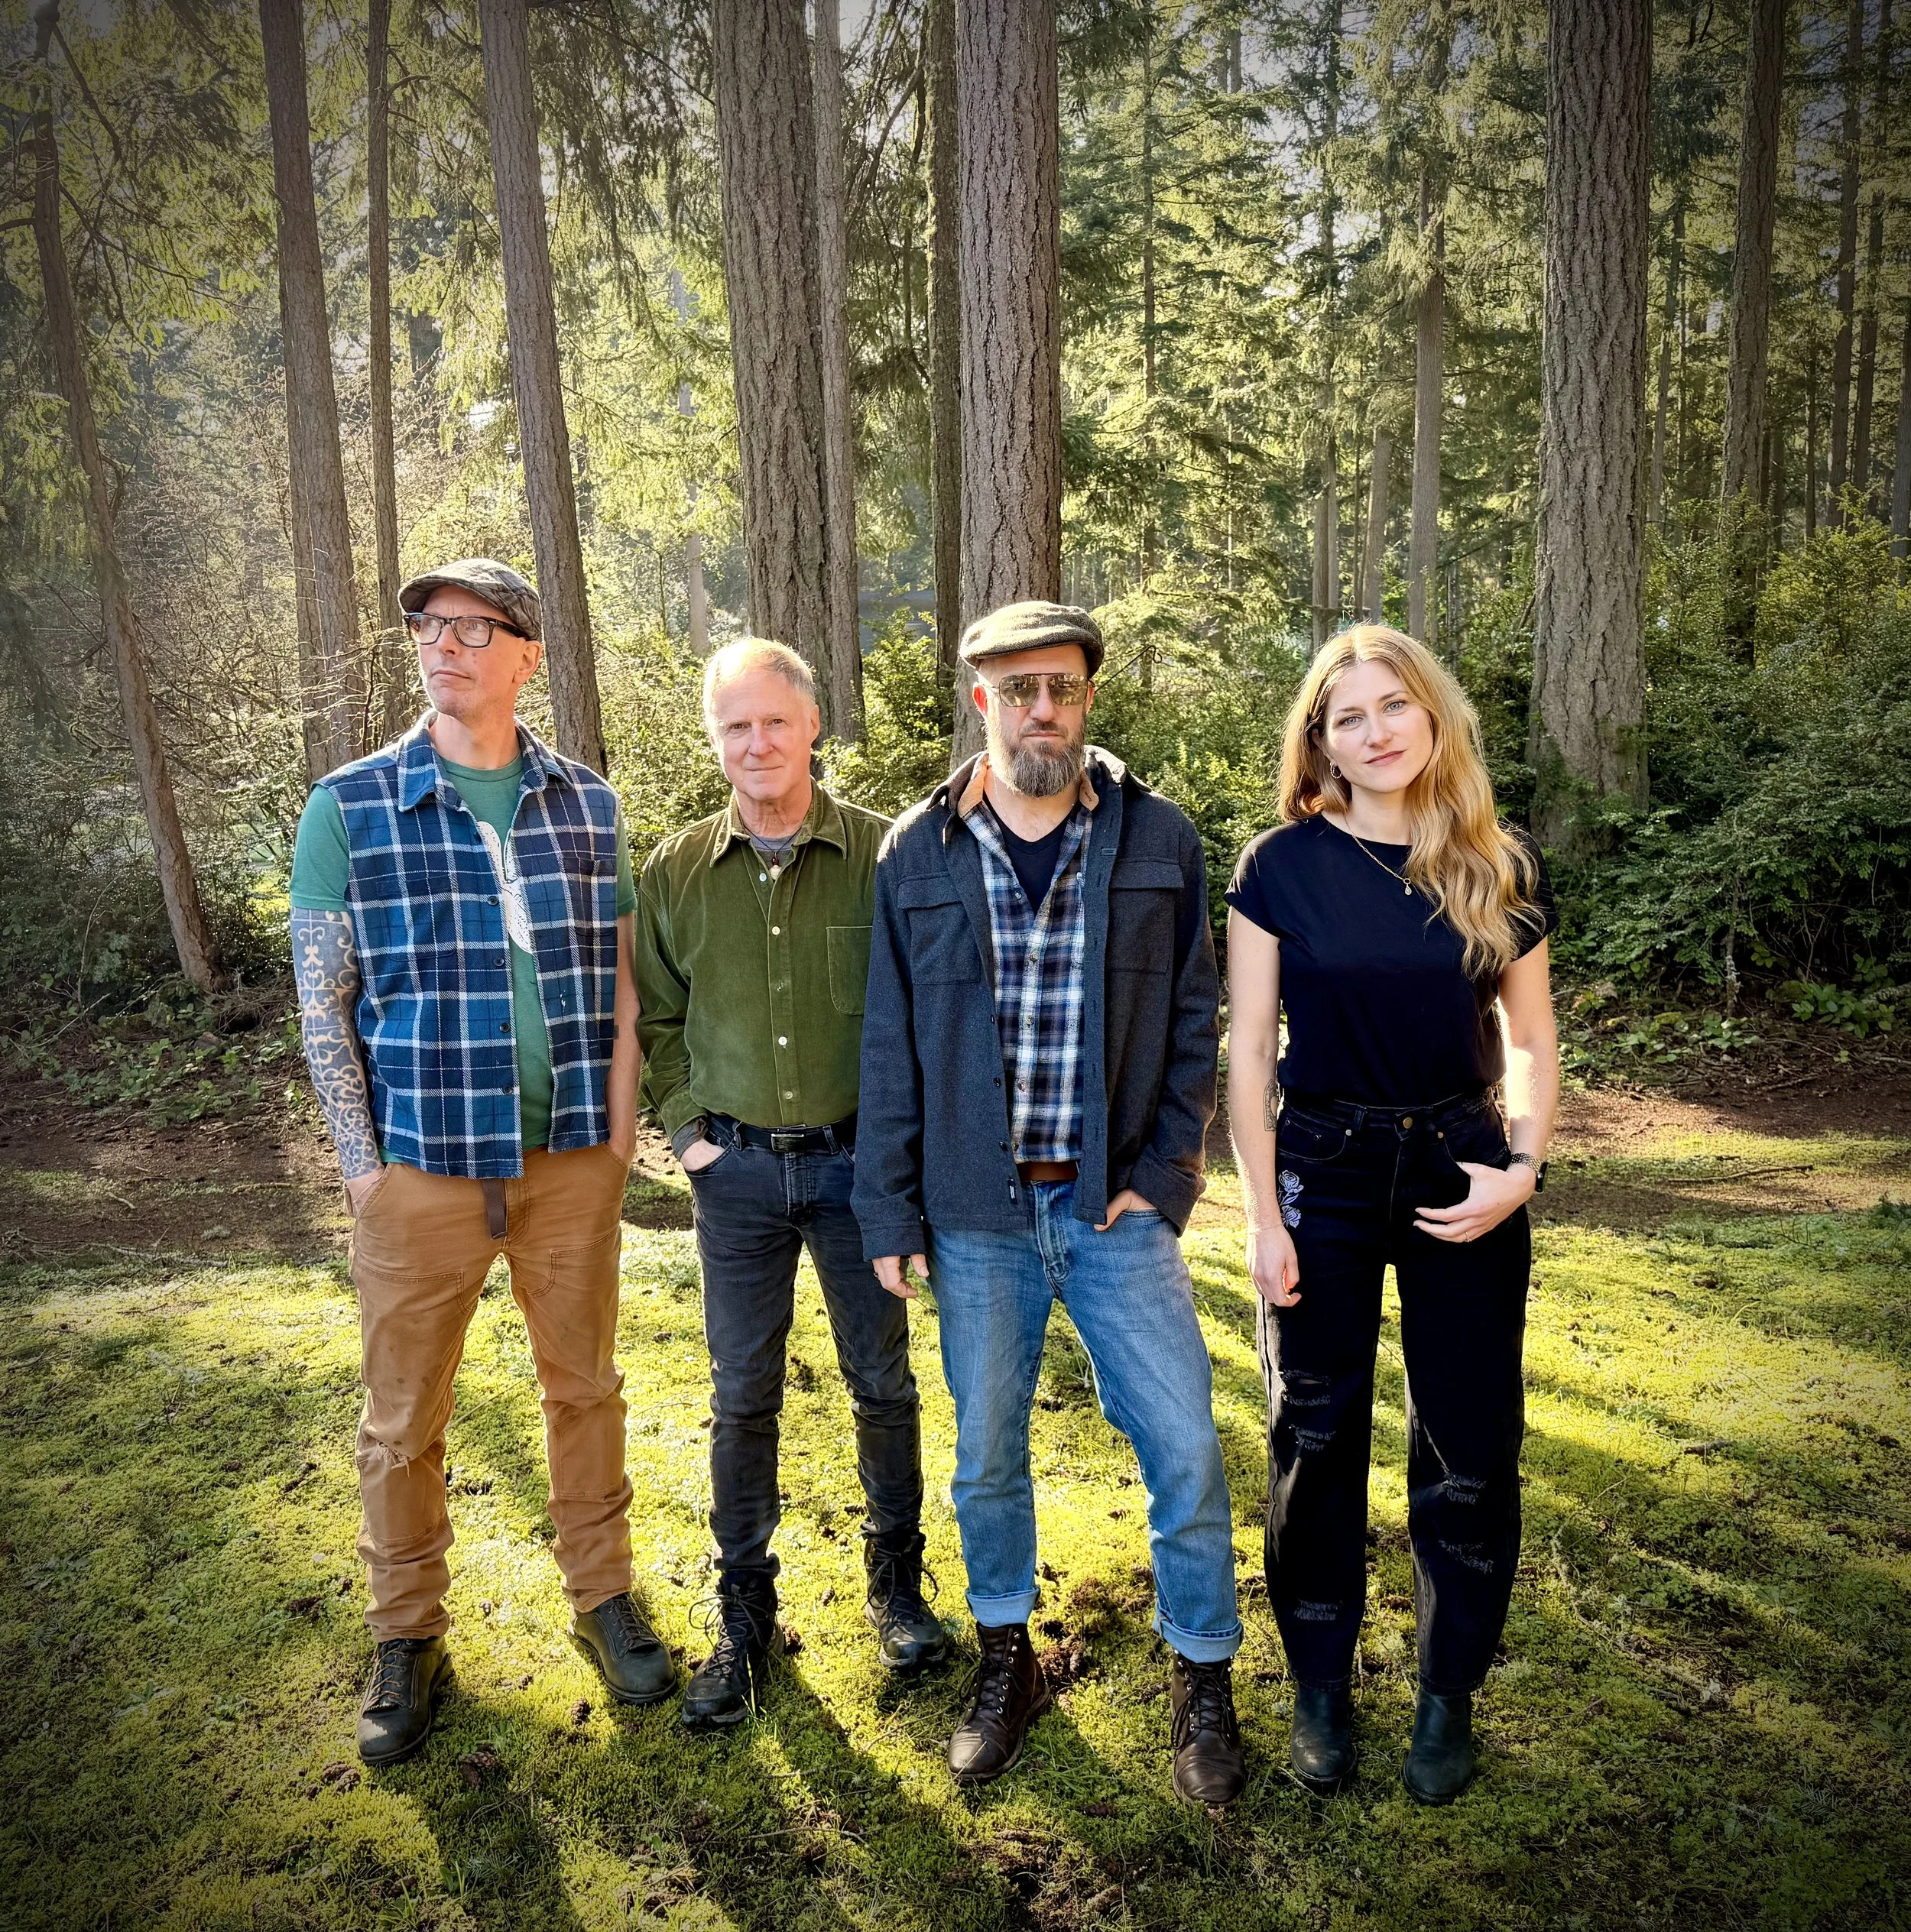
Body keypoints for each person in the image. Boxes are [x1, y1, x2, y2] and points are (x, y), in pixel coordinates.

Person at [854, 600, 1247, 1806]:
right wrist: (890, 1211)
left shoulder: (1155, 839)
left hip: (1110, 1210)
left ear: (1087, 698)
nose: (1042, 709)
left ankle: (1203, 1675)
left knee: (1182, 1444)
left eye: (1063, 688)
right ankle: (1006, 1660)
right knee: (985, 1458)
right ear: (980, 699)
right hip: (976, 1216)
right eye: (1018, 688)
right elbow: (889, 1042)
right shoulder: (916, 853)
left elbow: (1195, 1022)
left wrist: (1166, 1175)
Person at [290, 556, 669, 1768]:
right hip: (421, 1177)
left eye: (472, 628)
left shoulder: (588, 806)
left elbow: (619, 988)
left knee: (587, 1391)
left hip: (568, 1169)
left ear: (526, 654)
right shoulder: (350, 807)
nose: (443, 646)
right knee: (403, 1422)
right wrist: (362, 1168)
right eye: (428, 629)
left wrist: (618, 1142)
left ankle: (602, 1597)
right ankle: (406, 1633)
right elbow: (322, 1006)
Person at [1225, 622, 1558, 1805]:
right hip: (1323, 1162)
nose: (1373, 732)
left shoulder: (1495, 861)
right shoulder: (1278, 868)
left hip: (1461, 1165)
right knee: (1314, 1431)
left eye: (1391, 707)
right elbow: (1252, 1054)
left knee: (1469, 1438)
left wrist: (1522, 1166)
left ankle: (1446, 1690)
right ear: (1320, 741)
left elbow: (1527, 1040)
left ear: (1433, 715)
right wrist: (1263, 1216)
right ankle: (1318, 1679)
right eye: (1346, 716)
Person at [635, 639, 942, 1730]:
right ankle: (744, 1613)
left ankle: (898, 1588)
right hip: (738, 1176)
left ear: (814, 724)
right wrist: (687, 1134)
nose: (756, 744)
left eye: (774, 721)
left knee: (883, 1383)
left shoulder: (887, 855)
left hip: (865, 1172)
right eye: (734, 727)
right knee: (740, 1395)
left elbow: (921, 1014)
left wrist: (903, 1166)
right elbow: (656, 1018)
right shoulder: (672, 870)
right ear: (713, 740)